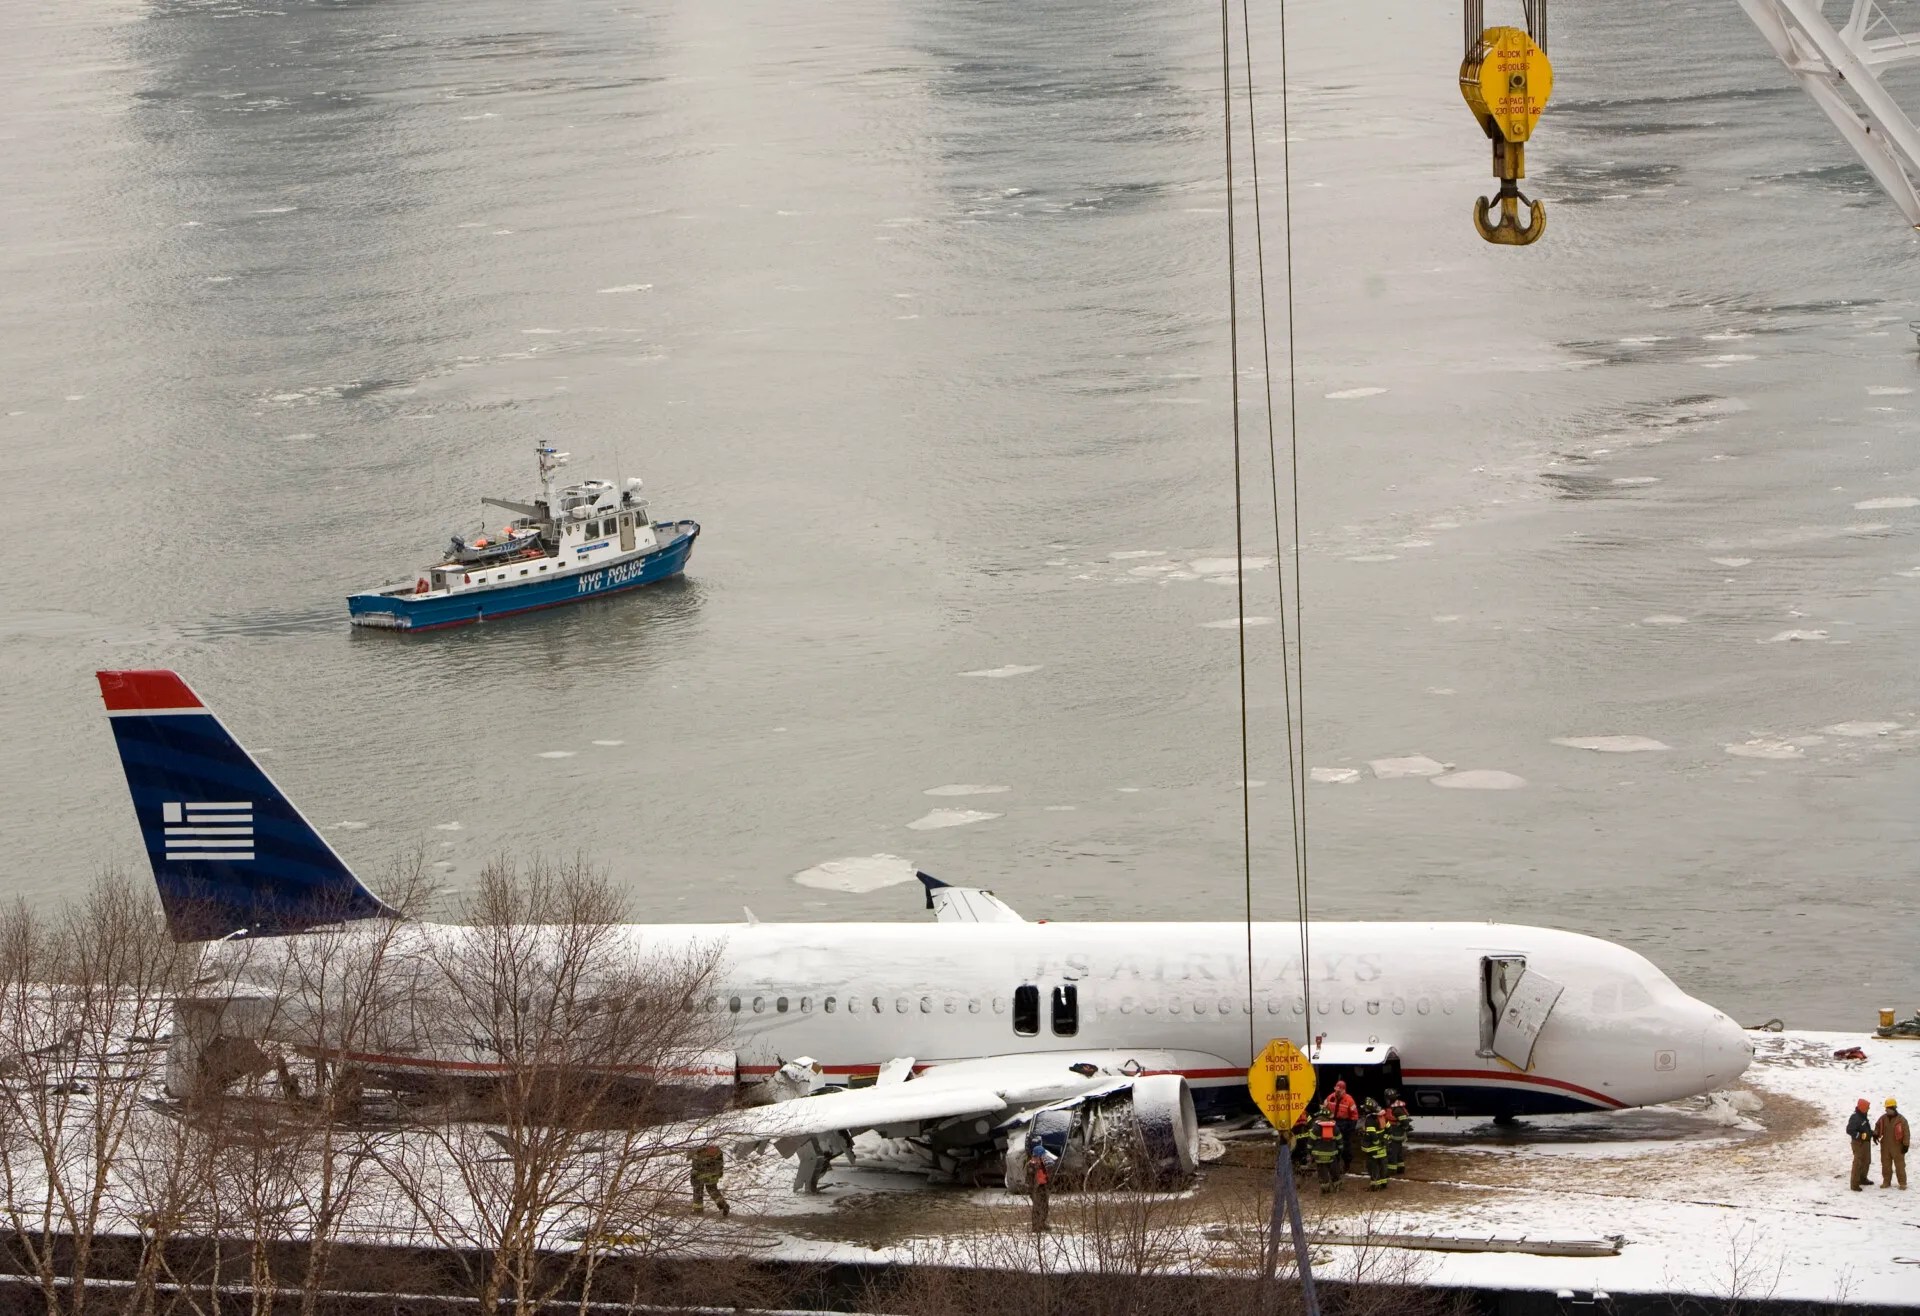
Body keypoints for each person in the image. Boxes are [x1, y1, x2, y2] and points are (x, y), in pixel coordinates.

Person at [1876, 1097, 1910, 1189]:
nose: (1885, 1110)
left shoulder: (1902, 1120)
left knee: (1900, 1166)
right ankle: (1886, 1182)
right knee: (1885, 1165)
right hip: (1885, 1146)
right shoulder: (1883, 1118)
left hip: (1898, 1146)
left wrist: (1906, 1145)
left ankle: (1902, 1183)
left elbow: (1906, 1133)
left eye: (1887, 1108)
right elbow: (1877, 1127)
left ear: (1893, 1108)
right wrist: (1875, 1134)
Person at [1327, 1079, 1360, 1174]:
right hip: (1333, 1123)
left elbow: (1354, 1115)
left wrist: (1350, 1128)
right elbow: (1324, 1109)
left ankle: (1347, 1164)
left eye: (1339, 1091)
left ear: (1344, 1091)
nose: (1337, 1093)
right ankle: (1334, 1165)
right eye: (1336, 1090)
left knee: (1346, 1146)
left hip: (1345, 1124)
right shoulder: (1330, 1098)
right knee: (1333, 1145)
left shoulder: (1349, 1100)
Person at [1026, 1135, 1058, 1233]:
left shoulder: (1044, 1163)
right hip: (1036, 1189)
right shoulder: (1031, 1165)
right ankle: (1036, 1227)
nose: (1044, 1157)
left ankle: (1042, 1223)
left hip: (1043, 1186)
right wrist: (1031, 1191)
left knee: (1045, 1207)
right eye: (1042, 1155)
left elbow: (1048, 1174)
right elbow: (1029, 1181)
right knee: (1037, 1208)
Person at [1308, 1106, 1343, 1194]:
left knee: (1322, 1172)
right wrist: (1340, 1152)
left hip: (1319, 1155)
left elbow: (1310, 1142)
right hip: (1332, 1154)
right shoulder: (1334, 1127)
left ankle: (1325, 1190)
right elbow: (1340, 1142)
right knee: (1334, 1171)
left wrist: (1309, 1151)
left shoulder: (1316, 1127)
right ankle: (1337, 1187)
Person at [690, 1143, 729, 1216]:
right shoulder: (698, 1152)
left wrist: (718, 1173)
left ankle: (724, 1206)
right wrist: (694, 1175)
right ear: (707, 1147)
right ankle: (697, 1210)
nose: (714, 1150)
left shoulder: (718, 1153)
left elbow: (720, 1165)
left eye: (715, 1147)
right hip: (700, 1175)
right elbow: (695, 1165)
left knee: (712, 1190)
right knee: (698, 1191)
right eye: (712, 1147)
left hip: (710, 1175)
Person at [1847, 1098, 1876, 1191]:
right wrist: (1860, 1136)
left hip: (1865, 1143)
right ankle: (1854, 1184)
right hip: (1858, 1143)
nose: (1868, 1109)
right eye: (1867, 1107)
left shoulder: (1863, 1116)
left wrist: (1872, 1133)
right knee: (1858, 1163)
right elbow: (1849, 1130)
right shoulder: (1855, 1117)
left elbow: (1865, 1130)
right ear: (1863, 1107)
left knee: (1866, 1161)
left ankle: (1862, 1179)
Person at [1360, 1106, 1391, 1192]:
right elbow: (1389, 1130)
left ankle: (1375, 1186)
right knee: (1383, 1164)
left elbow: (1372, 1135)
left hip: (1372, 1148)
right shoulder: (1383, 1117)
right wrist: (1384, 1140)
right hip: (1382, 1147)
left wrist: (1377, 1142)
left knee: (1373, 1166)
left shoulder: (1370, 1120)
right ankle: (1383, 1183)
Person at [1385, 1096, 1411, 1177]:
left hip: (1396, 1133)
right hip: (1396, 1132)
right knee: (1398, 1152)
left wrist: (1400, 1128)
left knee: (1392, 1152)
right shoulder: (1395, 1108)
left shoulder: (1397, 1110)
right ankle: (1400, 1168)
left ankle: (1391, 1170)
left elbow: (1405, 1122)